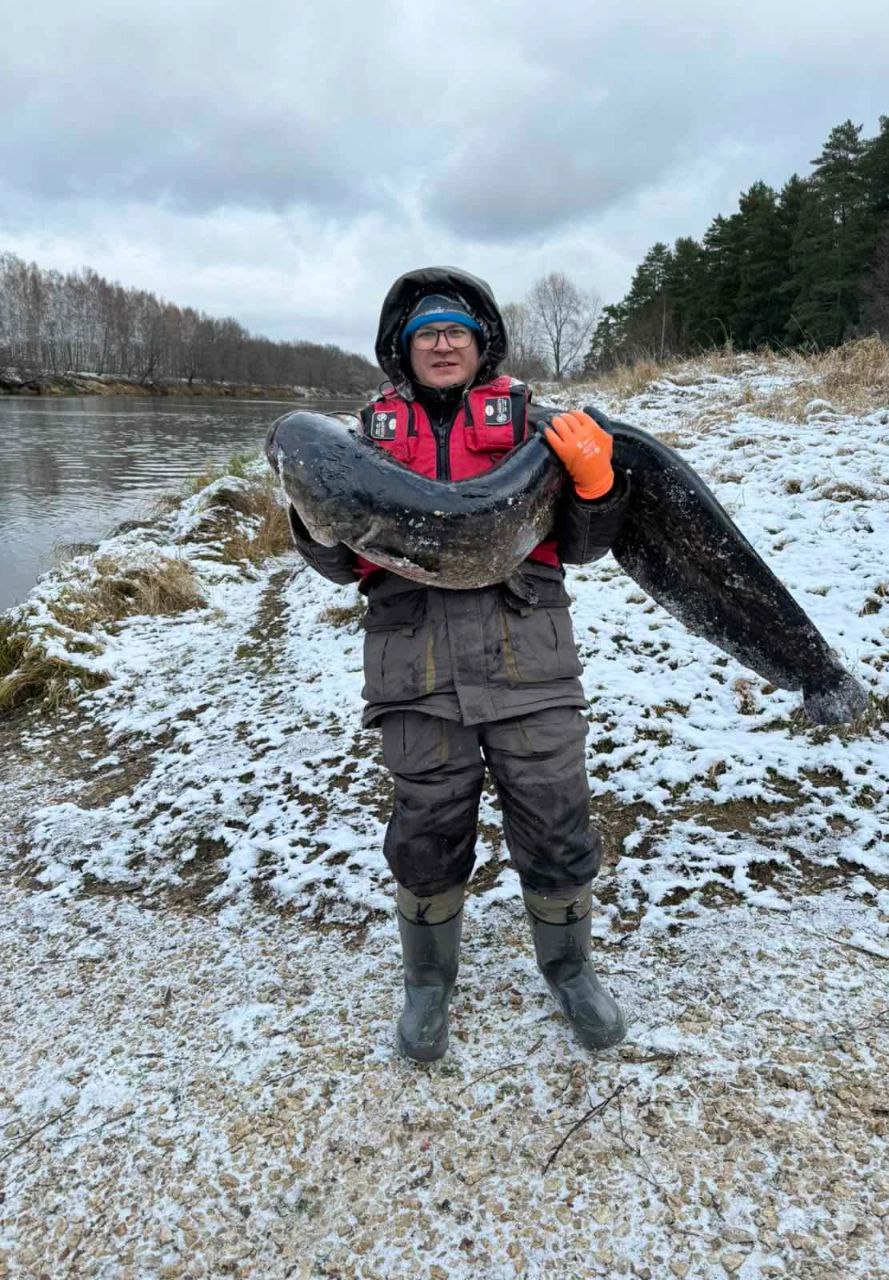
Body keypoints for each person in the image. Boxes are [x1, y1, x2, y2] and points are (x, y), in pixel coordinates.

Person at [287, 266, 631, 1061]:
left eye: (456, 333)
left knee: (555, 817)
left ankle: (571, 968)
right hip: (415, 667)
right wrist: (309, 516)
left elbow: (584, 545)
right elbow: (340, 566)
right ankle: (428, 984)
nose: (442, 345)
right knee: (427, 829)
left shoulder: (538, 430)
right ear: (400, 352)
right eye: (425, 335)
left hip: (531, 660)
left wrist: (597, 483)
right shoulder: (360, 440)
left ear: (481, 347)